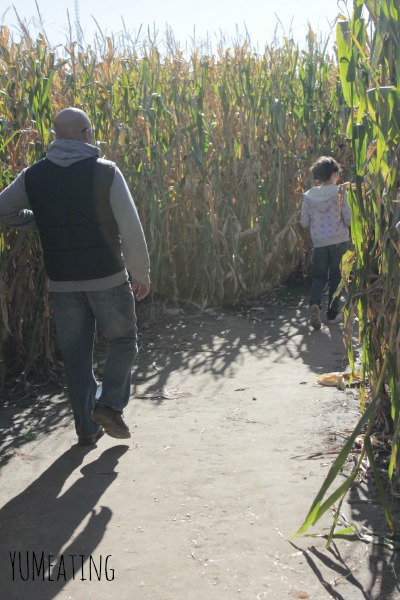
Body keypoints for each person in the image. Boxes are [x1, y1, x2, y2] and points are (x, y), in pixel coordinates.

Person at [0, 107, 150, 444]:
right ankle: (109, 404)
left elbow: (4, 208)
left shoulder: (33, 175)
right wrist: (140, 273)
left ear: (56, 137)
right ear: (85, 134)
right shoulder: (106, 172)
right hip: (108, 278)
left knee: (76, 358)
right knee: (124, 341)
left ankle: (86, 429)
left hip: (63, 283)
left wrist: (39, 220)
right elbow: (130, 227)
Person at [300, 155, 351, 330]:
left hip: (319, 243)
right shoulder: (339, 192)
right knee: (337, 277)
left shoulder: (308, 196)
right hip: (339, 241)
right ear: (334, 174)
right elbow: (349, 218)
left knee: (319, 277)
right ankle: (332, 314)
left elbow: (304, 222)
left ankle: (315, 304)